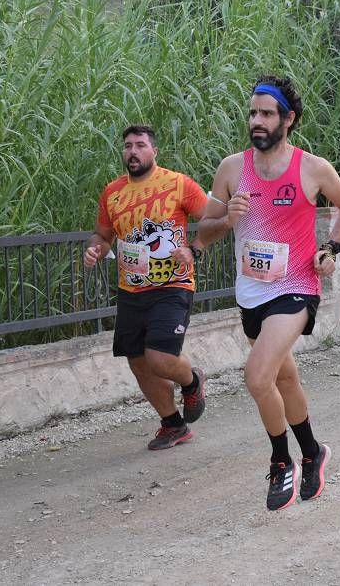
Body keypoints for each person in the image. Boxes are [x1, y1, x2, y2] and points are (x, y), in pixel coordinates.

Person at [198, 74, 340, 511]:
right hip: (251, 293)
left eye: (266, 113)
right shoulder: (232, 169)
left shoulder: (312, 168)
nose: (257, 120)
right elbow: (205, 232)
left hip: (296, 288)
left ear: (287, 119)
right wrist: (225, 220)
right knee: (284, 377)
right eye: (252, 112)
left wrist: (331, 247)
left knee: (257, 376)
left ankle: (280, 461)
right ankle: (313, 452)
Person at [83, 124, 209, 450]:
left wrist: (194, 247)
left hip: (173, 284)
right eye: (128, 146)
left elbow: (213, 219)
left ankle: (191, 380)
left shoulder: (177, 183)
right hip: (131, 288)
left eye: (140, 145)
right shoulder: (112, 192)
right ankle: (173, 425)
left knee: (159, 357)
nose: (133, 151)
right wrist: (96, 247)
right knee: (138, 362)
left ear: (154, 151)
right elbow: (103, 234)